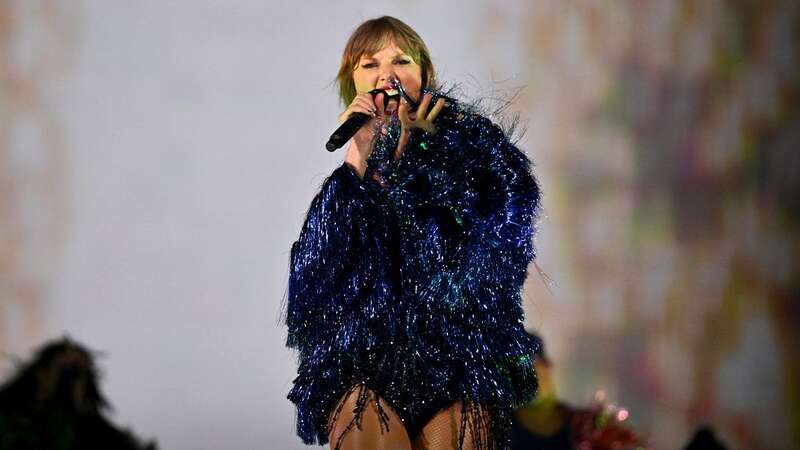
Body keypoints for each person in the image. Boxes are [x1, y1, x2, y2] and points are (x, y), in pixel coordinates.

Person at [285, 16, 542, 450]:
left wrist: (421, 163)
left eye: (400, 60)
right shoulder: (349, 183)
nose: (385, 75)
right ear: (353, 85)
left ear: (424, 75)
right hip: (363, 366)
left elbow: (499, 243)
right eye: (369, 65)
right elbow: (311, 286)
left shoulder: (472, 147)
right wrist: (358, 155)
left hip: (455, 361)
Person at [0, 337, 157, 450]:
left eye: (83, 374)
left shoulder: (95, 430)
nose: (75, 379)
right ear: (42, 373)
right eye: (69, 370)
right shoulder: (8, 414)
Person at [511, 332, 645, 450]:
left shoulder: (588, 428)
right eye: (514, 371)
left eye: (531, 364)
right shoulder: (501, 433)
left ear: (547, 367)